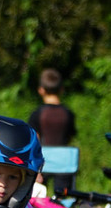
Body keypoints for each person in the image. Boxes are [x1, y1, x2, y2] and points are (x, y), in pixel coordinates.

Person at [28, 68, 78, 197]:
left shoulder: (37, 113)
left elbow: (34, 140)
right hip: (64, 162)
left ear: (41, 90)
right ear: (61, 89)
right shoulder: (68, 113)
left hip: (42, 162)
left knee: (37, 199)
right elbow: (70, 136)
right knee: (62, 199)